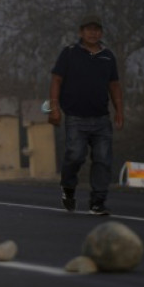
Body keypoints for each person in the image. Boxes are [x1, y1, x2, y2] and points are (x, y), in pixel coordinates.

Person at [48, 14, 124, 215]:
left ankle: (98, 201)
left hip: (101, 118)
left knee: (103, 159)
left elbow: (114, 85)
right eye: (89, 29)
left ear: (101, 32)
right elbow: (56, 80)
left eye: (97, 29)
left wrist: (119, 111)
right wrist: (54, 107)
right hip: (75, 117)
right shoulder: (70, 53)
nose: (93, 33)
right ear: (81, 32)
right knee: (75, 155)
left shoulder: (108, 56)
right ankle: (68, 187)